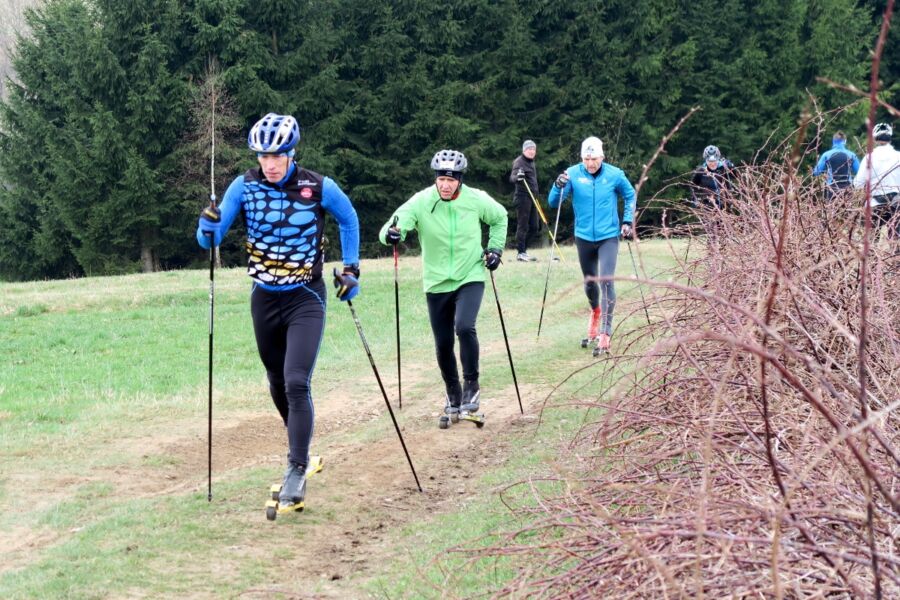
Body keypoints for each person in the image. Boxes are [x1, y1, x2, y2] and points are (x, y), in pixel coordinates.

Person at [196, 113, 360, 508]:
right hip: (264, 297)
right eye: (263, 155)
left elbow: (349, 218)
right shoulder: (243, 186)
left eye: (278, 155)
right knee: (275, 378)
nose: (269, 163)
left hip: (306, 296)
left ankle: (296, 468)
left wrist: (351, 268)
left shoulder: (318, 186)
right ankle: (299, 443)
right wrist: (206, 225)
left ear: (291, 153)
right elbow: (210, 240)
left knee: (296, 381)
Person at [379, 150, 508, 423]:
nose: (446, 185)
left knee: (464, 326)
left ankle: (472, 386)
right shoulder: (422, 201)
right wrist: (392, 233)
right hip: (436, 281)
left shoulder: (476, 199)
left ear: (460, 180)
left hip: (470, 275)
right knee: (443, 343)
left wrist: (495, 249)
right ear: (436, 178)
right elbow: (395, 223)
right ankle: (453, 393)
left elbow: (500, 217)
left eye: (451, 179)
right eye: (441, 179)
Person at [547, 136, 636, 355]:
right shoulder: (573, 174)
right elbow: (553, 203)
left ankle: (605, 333)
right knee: (589, 282)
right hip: (584, 236)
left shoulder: (615, 174)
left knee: (606, 280)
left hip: (608, 236)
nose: (590, 163)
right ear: (581, 158)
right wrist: (557, 186)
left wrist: (627, 221)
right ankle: (595, 313)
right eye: (586, 159)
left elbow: (630, 194)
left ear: (602, 157)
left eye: (594, 158)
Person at [853, 122, 900, 239]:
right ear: (890, 138)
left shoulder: (869, 157)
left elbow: (858, 183)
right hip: (896, 203)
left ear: (874, 139)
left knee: (871, 242)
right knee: (896, 243)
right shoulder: (898, 156)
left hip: (874, 203)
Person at [509, 139, 540, 262]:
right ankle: (521, 252)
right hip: (523, 198)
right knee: (523, 226)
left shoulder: (531, 162)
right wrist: (518, 177)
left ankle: (523, 251)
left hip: (533, 197)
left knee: (535, 226)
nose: (532, 151)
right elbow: (512, 178)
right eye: (529, 149)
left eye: (533, 149)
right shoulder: (519, 162)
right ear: (524, 150)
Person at [813, 131, 859, 201]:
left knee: (832, 211)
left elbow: (816, 172)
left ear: (833, 142)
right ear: (845, 141)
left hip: (832, 189)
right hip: (847, 188)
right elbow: (859, 171)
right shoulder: (852, 155)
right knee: (847, 211)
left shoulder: (826, 155)